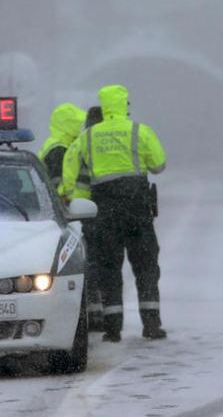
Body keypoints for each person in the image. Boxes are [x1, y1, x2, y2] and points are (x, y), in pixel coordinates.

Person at [64, 85, 167, 342]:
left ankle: (112, 329)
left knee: (110, 267)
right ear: (124, 106)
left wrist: (65, 192)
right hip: (137, 209)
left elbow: (70, 162)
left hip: (105, 210)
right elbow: (159, 164)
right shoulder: (138, 131)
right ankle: (151, 326)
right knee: (145, 266)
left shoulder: (88, 137)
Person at [62, 106, 105, 330]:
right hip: (93, 209)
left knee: (92, 262)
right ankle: (103, 314)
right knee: (103, 262)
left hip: (80, 209)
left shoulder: (80, 143)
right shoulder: (97, 144)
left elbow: (72, 179)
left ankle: (96, 313)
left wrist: (69, 200)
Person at [37, 103, 86, 190]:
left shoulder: (53, 143)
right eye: (78, 124)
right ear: (69, 125)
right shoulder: (59, 149)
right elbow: (56, 182)